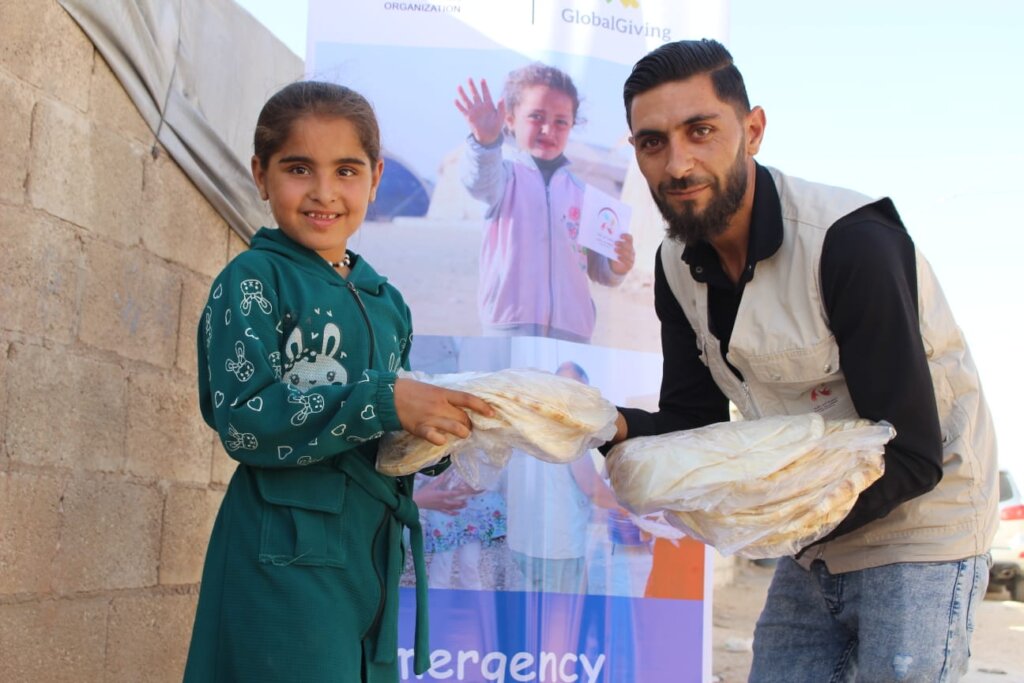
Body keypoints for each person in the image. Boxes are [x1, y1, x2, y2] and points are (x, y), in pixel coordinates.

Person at [609, 39, 998, 681]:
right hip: (811, 532)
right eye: (654, 143)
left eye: (701, 131)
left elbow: (912, 453)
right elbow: (692, 426)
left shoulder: (851, 243)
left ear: (753, 130)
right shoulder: (675, 267)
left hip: (923, 524)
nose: (678, 164)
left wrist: (767, 519)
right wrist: (597, 424)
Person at [183, 81, 493, 683]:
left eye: (346, 170)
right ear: (261, 174)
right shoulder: (253, 281)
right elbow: (244, 421)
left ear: (375, 178)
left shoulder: (387, 302)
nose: (324, 192)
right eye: (299, 168)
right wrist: (385, 400)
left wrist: (435, 434)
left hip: (370, 555)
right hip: (284, 554)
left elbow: (384, 439)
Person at [455, 63, 637, 343]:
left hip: (573, 335)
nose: (548, 129)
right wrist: (485, 143)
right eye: (536, 116)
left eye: (561, 121)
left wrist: (618, 265)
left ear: (573, 125)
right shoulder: (502, 179)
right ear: (510, 120)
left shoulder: (583, 195)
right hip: (509, 330)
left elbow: (599, 270)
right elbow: (478, 182)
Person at [505, 361, 621, 594]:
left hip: (522, 544)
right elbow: (592, 488)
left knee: (531, 611)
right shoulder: (568, 433)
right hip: (558, 548)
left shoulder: (524, 428)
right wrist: (632, 511)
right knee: (563, 613)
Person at [417, 465, 507, 590]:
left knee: (469, 561)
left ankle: (472, 594)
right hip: (444, 511)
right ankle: (437, 593)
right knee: (442, 559)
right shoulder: (439, 458)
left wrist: (476, 487)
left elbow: (494, 477)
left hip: (472, 514)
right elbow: (423, 473)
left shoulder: (479, 457)